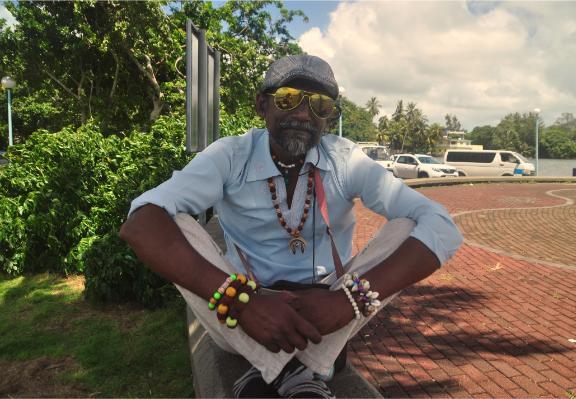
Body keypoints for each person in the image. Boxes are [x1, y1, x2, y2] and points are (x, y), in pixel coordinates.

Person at [120, 54, 463, 398]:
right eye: (288, 98)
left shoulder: (344, 160)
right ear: (262, 105)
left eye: (319, 105)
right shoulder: (229, 156)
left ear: (329, 117)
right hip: (242, 309)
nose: (303, 113)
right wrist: (245, 304)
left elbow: (442, 227)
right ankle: (308, 371)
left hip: (328, 308)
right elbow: (141, 223)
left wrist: (345, 303)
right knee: (171, 222)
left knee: (408, 225)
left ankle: (269, 374)